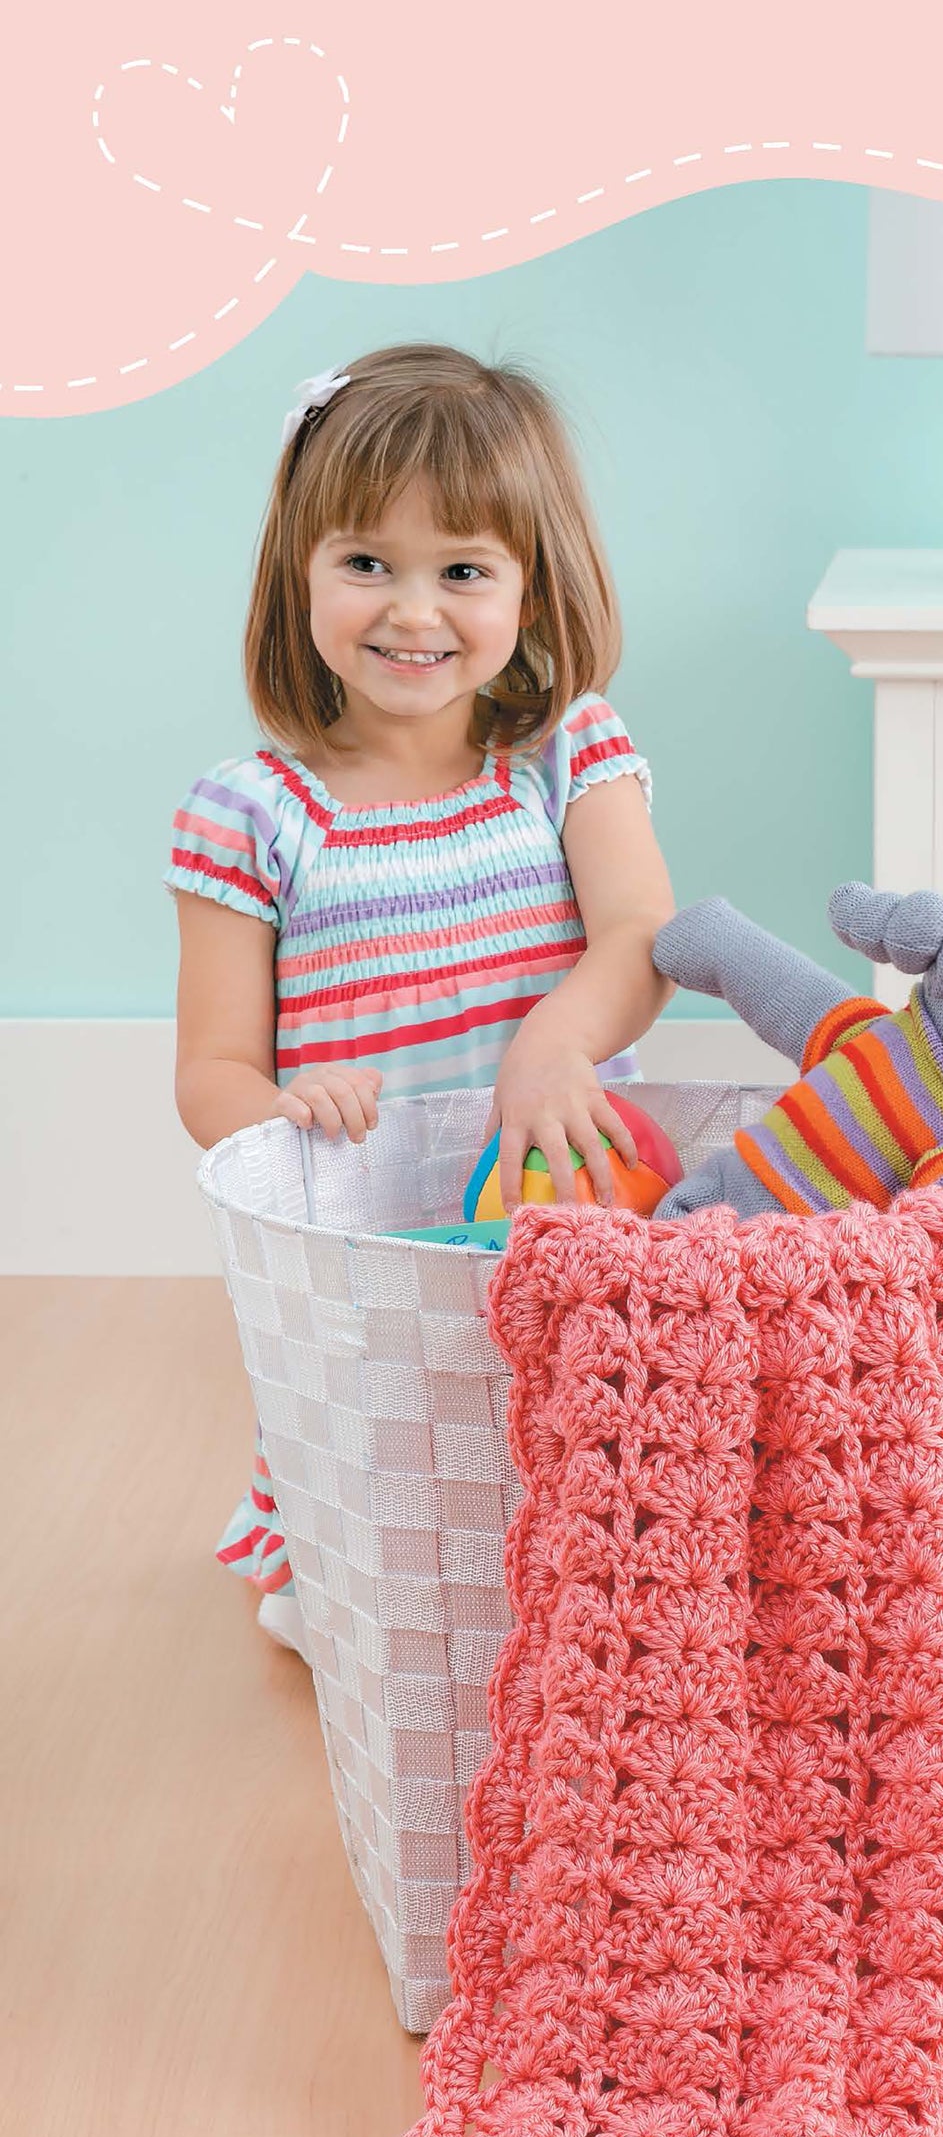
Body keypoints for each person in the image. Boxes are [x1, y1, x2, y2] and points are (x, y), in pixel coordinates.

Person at [165, 343, 676, 1656]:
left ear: (527, 586)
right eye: (366, 564)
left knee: (594, 1440)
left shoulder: (566, 750)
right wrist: (285, 1107)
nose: (411, 611)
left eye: (461, 570)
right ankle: (348, 1560)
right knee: (390, 1470)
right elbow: (210, 1070)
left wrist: (552, 1049)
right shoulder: (252, 814)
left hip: (561, 1194)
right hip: (374, 1240)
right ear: (303, 570)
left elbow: (637, 934)